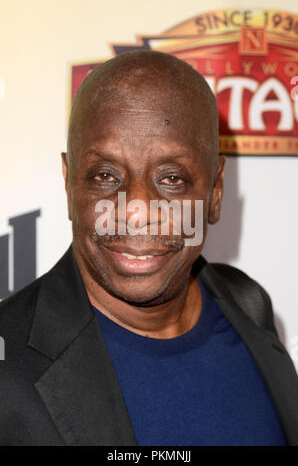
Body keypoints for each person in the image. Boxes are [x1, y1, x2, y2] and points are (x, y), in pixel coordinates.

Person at [0, 50, 298, 446]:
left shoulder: (247, 303)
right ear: (69, 183)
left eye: (172, 179)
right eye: (105, 175)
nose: (137, 211)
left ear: (216, 191)